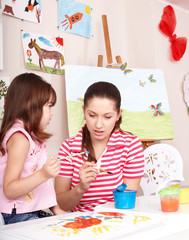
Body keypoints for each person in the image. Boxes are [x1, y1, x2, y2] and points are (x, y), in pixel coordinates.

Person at [55, 81, 144, 212]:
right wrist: (80, 188)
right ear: (84, 111)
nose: (98, 125)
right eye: (92, 115)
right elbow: (61, 205)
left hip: (117, 221)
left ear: (118, 115)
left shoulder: (130, 145)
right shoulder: (69, 148)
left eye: (107, 117)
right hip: (80, 224)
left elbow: (127, 201)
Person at [0, 73, 66, 225]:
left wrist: (56, 210)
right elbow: (9, 189)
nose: (51, 113)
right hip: (16, 215)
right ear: (31, 105)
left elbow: (41, 184)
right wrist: (44, 174)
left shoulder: (31, 136)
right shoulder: (19, 139)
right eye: (48, 106)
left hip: (29, 211)